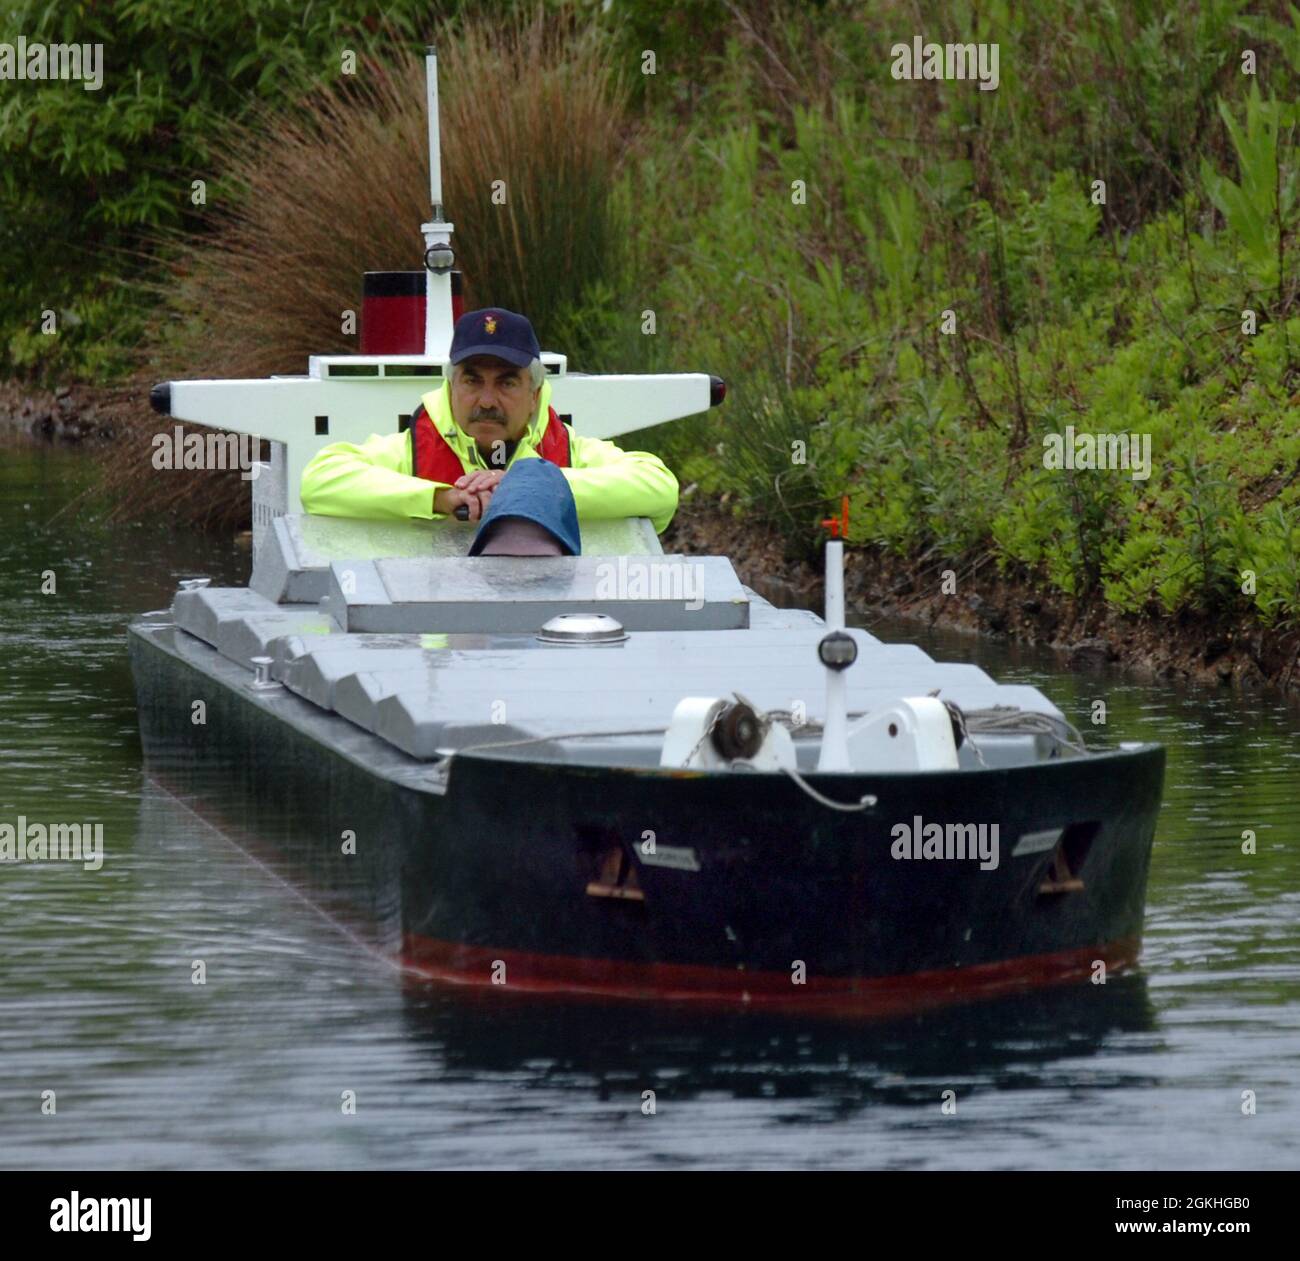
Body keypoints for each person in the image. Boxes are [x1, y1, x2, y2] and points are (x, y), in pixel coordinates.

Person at [299, 306, 678, 532]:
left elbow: (659, 487)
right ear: (450, 388)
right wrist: (441, 497)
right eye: (472, 380)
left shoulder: (573, 453)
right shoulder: (408, 454)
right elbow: (319, 480)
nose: (486, 400)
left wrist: (528, 485)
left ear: (534, 395)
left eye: (506, 382)